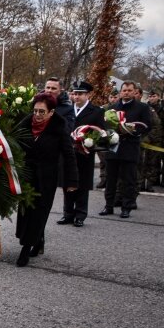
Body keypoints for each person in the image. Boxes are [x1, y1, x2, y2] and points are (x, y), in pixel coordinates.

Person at [15, 93, 78, 267]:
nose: (37, 115)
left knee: (39, 212)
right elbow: (13, 144)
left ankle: (25, 250)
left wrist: (71, 181)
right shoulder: (26, 123)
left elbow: (68, 155)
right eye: (35, 111)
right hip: (27, 176)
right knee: (26, 211)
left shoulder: (59, 127)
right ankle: (38, 240)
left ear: (51, 113)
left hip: (46, 178)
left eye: (42, 112)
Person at [99, 81, 152, 218]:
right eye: (124, 90)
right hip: (113, 147)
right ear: (120, 92)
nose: (126, 92)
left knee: (129, 180)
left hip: (130, 147)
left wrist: (132, 130)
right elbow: (105, 124)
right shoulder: (112, 107)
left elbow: (147, 125)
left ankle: (126, 207)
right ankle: (108, 205)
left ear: (135, 92)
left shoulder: (142, 108)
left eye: (129, 90)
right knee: (111, 179)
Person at [57, 81, 105, 227]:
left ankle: (80, 214)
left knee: (82, 185)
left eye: (80, 94)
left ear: (87, 95)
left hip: (85, 154)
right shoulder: (67, 110)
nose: (76, 96)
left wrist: (90, 142)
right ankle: (68, 213)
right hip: (67, 154)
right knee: (67, 183)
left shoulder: (96, 111)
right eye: (75, 93)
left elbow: (101, 132)